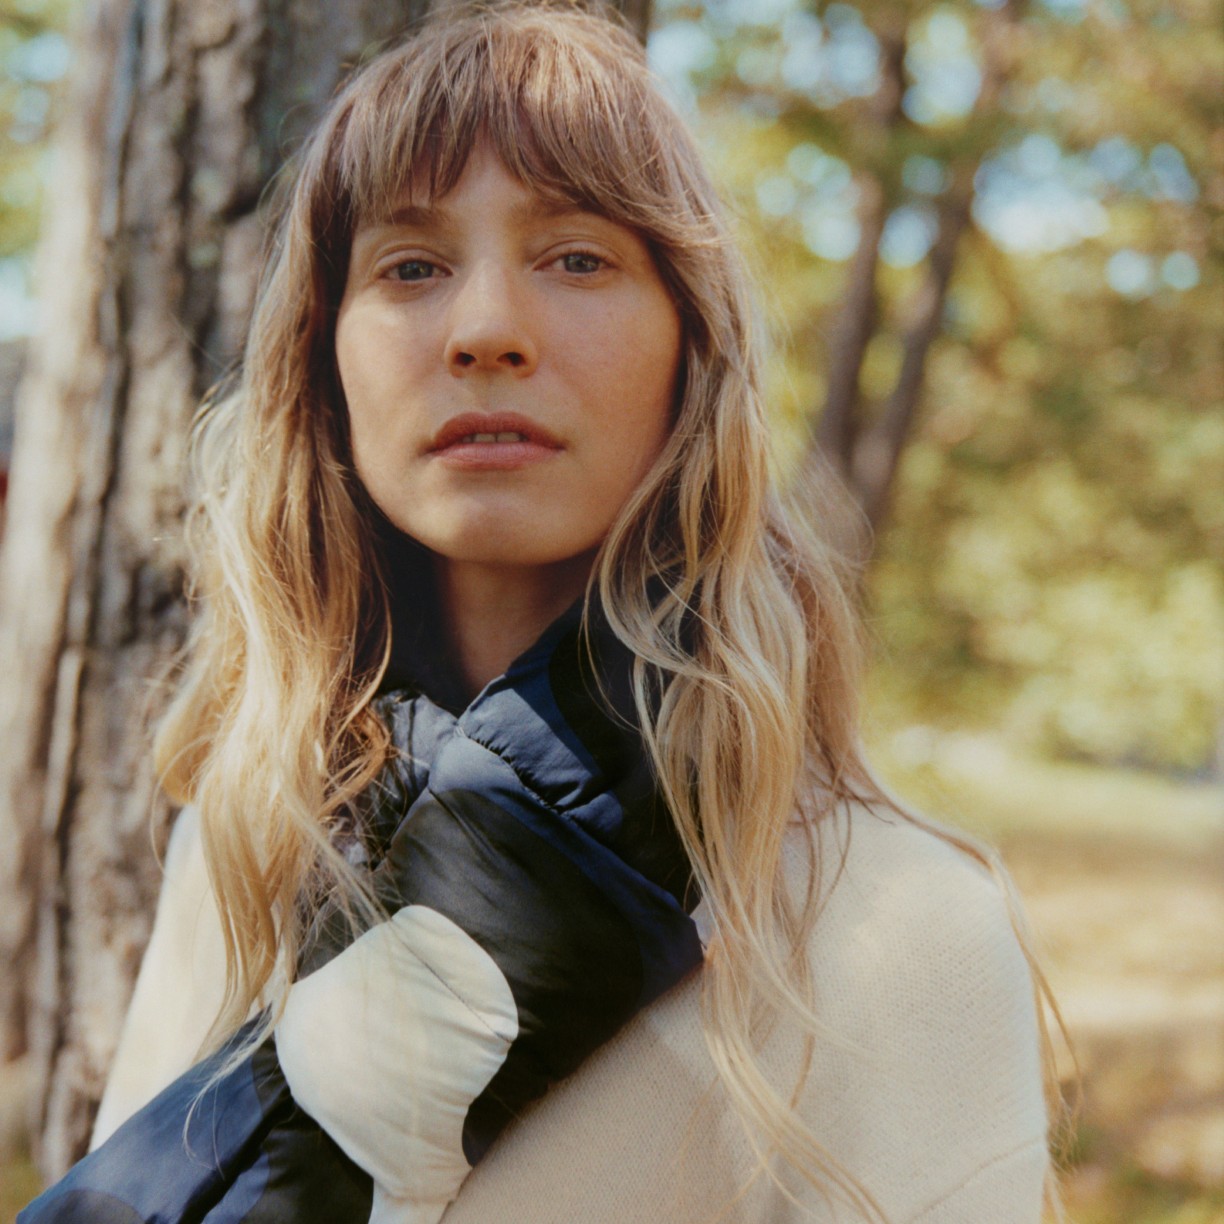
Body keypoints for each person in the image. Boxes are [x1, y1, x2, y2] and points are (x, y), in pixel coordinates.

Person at [22, 3, 1061, 1222]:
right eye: (410, 267)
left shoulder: (892, 932)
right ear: (324, 364)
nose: (485, 332)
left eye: (577, 257)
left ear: (692, 345)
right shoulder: (249, 837)